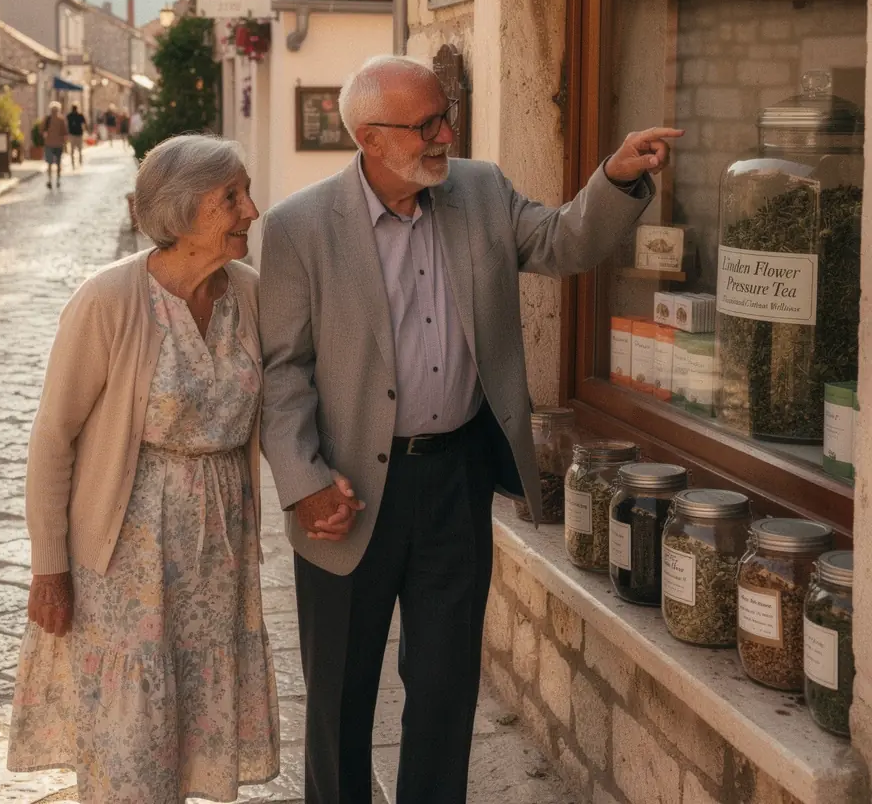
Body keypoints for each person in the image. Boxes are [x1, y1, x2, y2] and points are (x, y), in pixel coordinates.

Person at [258, 55, 682, 804]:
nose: (445, 133)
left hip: (453, 480)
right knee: (339, 697)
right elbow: (283, 371)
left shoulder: (479, 191)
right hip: (346, 492)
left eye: (445, 114)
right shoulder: (300, 228)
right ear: (368, 137)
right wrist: (303, 482)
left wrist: (614, 179)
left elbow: (563, 242)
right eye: (425, 124)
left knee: (447, 689)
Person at [8, 135, 279, 804]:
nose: (252, 209)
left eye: (246, 193)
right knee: (129, 740)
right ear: (184, 213)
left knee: (190, 724)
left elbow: (280, 411)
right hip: (126, 550)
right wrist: (50, 564)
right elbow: (53, 436)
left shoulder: (248, 294)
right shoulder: (108, 300)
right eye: (231, 198)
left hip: (219, 551)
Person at [42, 102, 68, 189]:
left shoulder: (47, 119)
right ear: (58, 110)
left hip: (49, 144)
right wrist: (65, 144)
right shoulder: (61, 120)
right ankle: (57, 180)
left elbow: (41, 130)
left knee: (49, 163)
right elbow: (64, 133)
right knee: (58, 163)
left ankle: (49, 180)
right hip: (58, 145)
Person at [66, 101, 87, 168]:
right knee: (78, 149)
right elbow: (84, 124)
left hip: (74, 134)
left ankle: (75, 163)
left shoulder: (70, 116)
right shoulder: (78, 115)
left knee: (75, 150)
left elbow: (66, 125)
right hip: (77, 134)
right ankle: (77, 163)